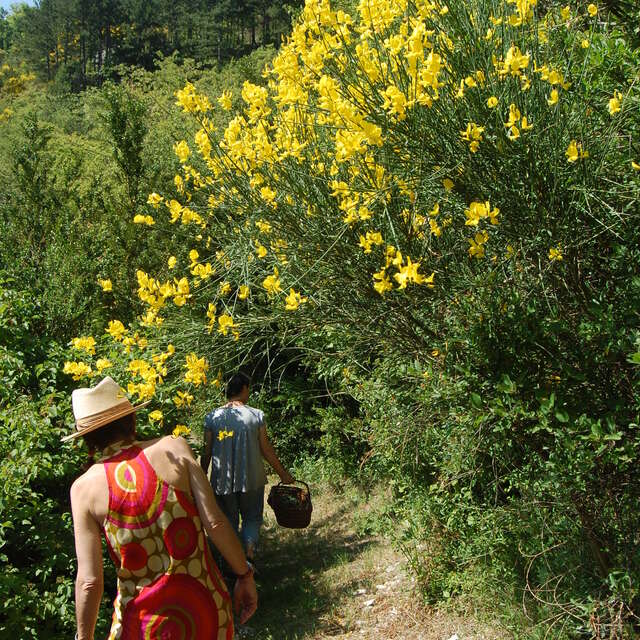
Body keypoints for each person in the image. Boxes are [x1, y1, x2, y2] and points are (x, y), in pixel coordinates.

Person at [66, 375, 257, 640]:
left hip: (144, 627)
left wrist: (83, 637)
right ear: (131, 419)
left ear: (87, 440)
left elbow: (89, 581)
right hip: (206, 611)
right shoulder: (174, 448)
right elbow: (215, 523)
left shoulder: (84, 489)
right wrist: (244, 575)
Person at [200, 372, 294, 563]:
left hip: (222, 481)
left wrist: (201, 476)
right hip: (252, 479)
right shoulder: (255, 415)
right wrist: (283, 475)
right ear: (244, 389)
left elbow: (207, 452)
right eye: (248, 388)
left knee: (228, 520)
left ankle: (234, 561)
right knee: (252, 517)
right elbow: (266, 450)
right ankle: (249, 552)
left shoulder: (212, 418)